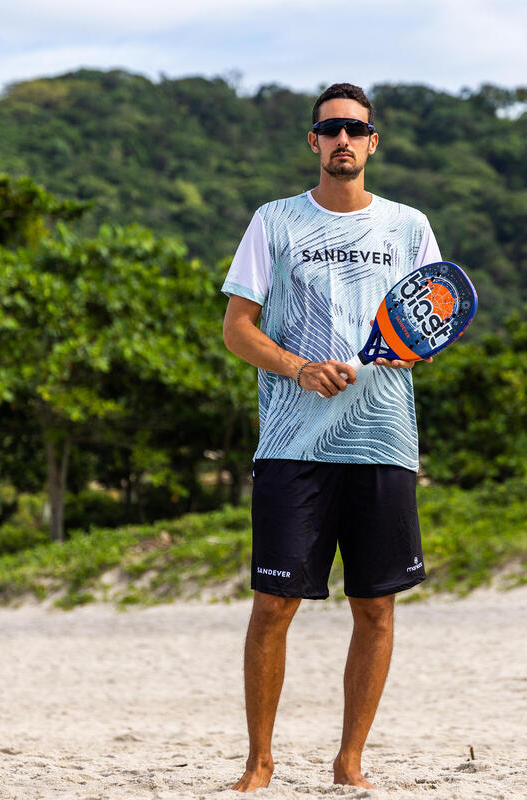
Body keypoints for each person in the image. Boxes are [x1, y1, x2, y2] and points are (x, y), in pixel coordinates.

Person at [220, 82, 441, 791]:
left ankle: (350, 762)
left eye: (355, 129)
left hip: (383, 443)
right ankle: (259, 762)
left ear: (373, 142)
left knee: (375, 606)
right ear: (312, 142)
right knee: (273, 606)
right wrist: (297, 368)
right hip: (292, 446)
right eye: (330, 129)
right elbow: (238, 328)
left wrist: (398, 348)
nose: (343, 139)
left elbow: (429, 329)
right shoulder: (275, 222)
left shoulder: (408, 227)